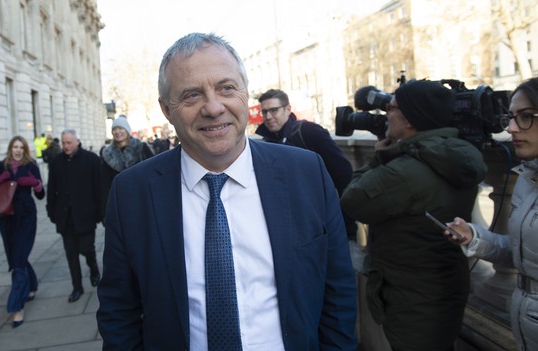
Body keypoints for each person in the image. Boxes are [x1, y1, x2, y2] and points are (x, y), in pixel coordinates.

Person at [97, 32, 358, 350]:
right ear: (167, 109)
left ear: (245, 94)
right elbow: (118, 311)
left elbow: (338, 290)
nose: (213, 107)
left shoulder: (306, 173)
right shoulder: (131, 193)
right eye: (192, 95)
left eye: (226, 88)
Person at [340, 80, 487, 351]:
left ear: (410, 120)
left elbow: (352, 201)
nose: (386, 114)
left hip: (412, 298)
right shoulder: (453, 154)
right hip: (442, 286)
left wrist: (377, 159)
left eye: (392, 108)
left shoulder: (405, 171)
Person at [445, 77, 538, 351]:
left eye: (525, 117)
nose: (510, 128)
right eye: (510, 117)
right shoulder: (526, 178)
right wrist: (475, 239)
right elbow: (525, 256)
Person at [256, 88, 356, 239]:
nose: (268, 117)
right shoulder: (266, 142)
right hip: (288, 226)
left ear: (288, 109)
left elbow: (343, 173)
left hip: (320, 225)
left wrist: (342, 223)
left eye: (274, 110)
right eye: (264, 112)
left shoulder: (309, 132)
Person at [0, 135, 45, 328]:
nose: (17, 150)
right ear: (10, 149)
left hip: (26, 218)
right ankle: (32, 285)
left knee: (18, 260)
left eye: (21, 147)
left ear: (25, 150)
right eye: (15, 147)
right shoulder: (0, 166)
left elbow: (41, 195)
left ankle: (17, 306)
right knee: (17, 257)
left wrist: (35, 183)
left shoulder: (31, 166)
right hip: (6, 219)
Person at [46, 129, 103, 303]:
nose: (65, 146)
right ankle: (77, 287)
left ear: (77, 141)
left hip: (86, 216)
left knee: (86, 248)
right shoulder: (56, 162)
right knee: (71, 254)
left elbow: (99, 188)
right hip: (65, 217)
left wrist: (100, 212)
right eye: (63, 143)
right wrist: (51, 211)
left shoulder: (91, 160)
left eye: (69, 142)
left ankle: (93, 268)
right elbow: (51, 189)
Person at [100, 115, 153, 217]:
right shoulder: (107, 153)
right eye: (114, 129)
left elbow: (152, 173)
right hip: (118, 202)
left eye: (120, 128)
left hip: (141, 199)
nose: (117, 132)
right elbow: (104, 184)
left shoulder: (141, 147)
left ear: (127, 130)